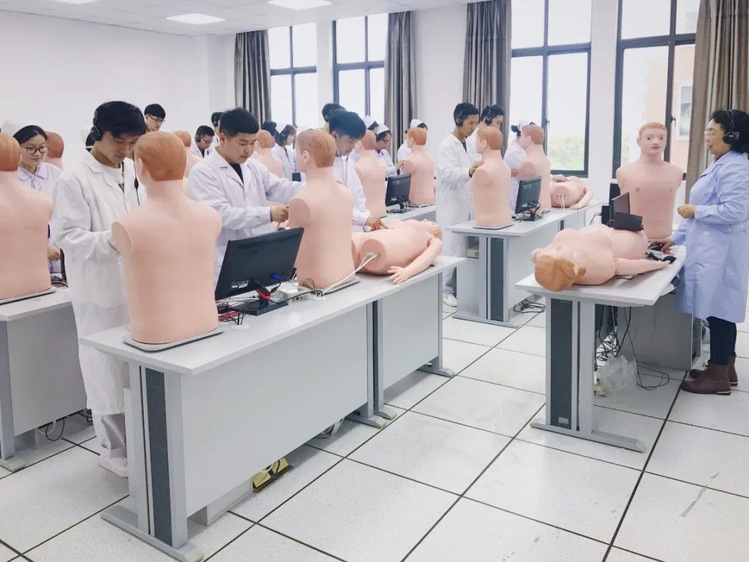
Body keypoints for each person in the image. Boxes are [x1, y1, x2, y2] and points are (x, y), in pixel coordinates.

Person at [52, 101, 146, 478]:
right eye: (118, 141)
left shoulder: (132, 169)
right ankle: (112, 449)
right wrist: (113, 240)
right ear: (98, 134)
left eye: (132, 143)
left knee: (132, 371)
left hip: (135, 286)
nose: (125, 150)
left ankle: (139, 441)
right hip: (98, 289)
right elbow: (67, 236)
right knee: (104, 372)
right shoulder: (74, 179)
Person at [659, 109, 749, 395]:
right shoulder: (722, 163)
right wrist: (674, 238)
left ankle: (717, 376)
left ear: (731, 135)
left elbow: (734, 211)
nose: (707, 138)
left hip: (721, 253)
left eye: (712, 132)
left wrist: (695, 210)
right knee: (720, 311)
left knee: (719, 313)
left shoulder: (736, 167)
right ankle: (724, 368)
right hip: (713, 248)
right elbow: (700, 214)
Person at [188, 108, 300, 279]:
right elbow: (221, 215)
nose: (248, 150)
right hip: (224, 258)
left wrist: (312, 187)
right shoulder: (203, 172)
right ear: (223, 139)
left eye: (252, 143)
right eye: (242, 143)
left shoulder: (252, 166)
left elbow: (279, 187)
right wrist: (269, 214)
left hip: (259, 253)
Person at [436, 102, 482, 307]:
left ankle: (460, 288)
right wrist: (469, 172)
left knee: (463, 250)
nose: (473, 127)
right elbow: (448, 173)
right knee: (451, 249)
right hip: (452, 206)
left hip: (466, 205)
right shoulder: (447, 145)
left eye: (476, 123)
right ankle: (445, 291)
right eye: (470, 123)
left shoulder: (468, 144)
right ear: (458, 120)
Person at [2, 120, 63, 270]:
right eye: (31, 148)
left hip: (57, 248)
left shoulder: (54, 173)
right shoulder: (7, 177)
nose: (38, 153)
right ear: (14, 147)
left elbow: (63, 211)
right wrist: (40, 246)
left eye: (42, 147)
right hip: (21, 253)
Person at [327, 110, 384, 232]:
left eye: (355, 141)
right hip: (337, 233)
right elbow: (334, 204)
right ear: (334, 136)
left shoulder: (349, 162)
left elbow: (360, 198)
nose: (352, 147)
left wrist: (369, 227)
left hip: (358, 233)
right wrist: (364, 219)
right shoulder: (323, 166)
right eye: (350, 141)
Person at [504, 119, 531, 210]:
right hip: (514, 199)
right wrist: (551, 177)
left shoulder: (522, 151)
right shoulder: (514, 153)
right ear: (522, 135)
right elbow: (531, 172)